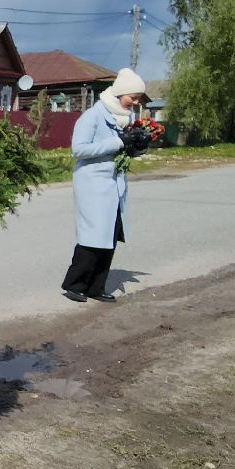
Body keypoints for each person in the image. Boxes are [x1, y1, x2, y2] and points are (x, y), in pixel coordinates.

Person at [63, 68, 146, 303]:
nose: (136, 102)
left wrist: (136, 147)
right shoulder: (93, 116)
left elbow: (122, 147)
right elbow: (79, 149)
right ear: (121, 93)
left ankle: (96, 287)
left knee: (110, 234)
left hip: (114, 184)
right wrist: (118, 141)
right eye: (133, 96)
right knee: (93, 234)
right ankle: (75, 284)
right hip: (93, 184)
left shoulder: (125, 118)